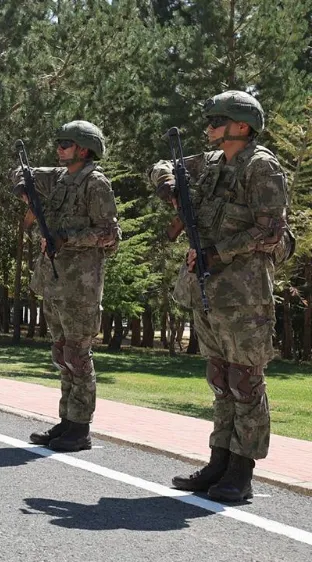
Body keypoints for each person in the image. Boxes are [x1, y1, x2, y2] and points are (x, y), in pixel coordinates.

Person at [151, 91, 293, 503]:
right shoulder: (211, 162)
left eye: (218, 118)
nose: (209, 124)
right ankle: (218, 461)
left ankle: (241, 471)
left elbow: (271, 231)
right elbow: (164, 165)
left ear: (242, 126)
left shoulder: (261, 166)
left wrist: (220, 252)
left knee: (245, 380)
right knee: (220, 378)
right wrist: (168, 183)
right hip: (206, 287)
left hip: (244, 292)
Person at [11, 121, 120, 451]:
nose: (59, 148)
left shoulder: (95, 182)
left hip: (80, 285)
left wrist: (68, 239)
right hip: (55, 280)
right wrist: (23, 188)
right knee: (62, 354)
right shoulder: (59, 178)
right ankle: (66, 420)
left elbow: (110, 236)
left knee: (78, 354)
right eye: (59, 143)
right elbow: (21, 171)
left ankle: (80, 427)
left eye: (66, 143)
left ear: (84, 149)